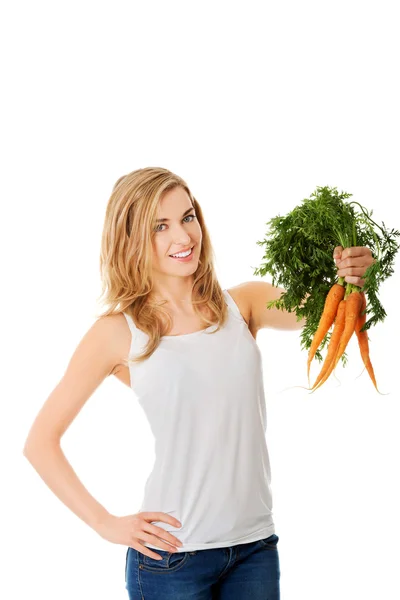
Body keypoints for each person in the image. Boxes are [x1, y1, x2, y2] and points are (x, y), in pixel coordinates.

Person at [22, 167, 375, 599]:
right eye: (160, 226)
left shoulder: (244, 303)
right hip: (172, 558)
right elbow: (40, 442)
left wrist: (352, 274)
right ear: (130, 237)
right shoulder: (118, 332)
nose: (183, 237)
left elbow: (332, 313)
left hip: (255, 547)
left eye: (188, 217)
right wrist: (105, 523)